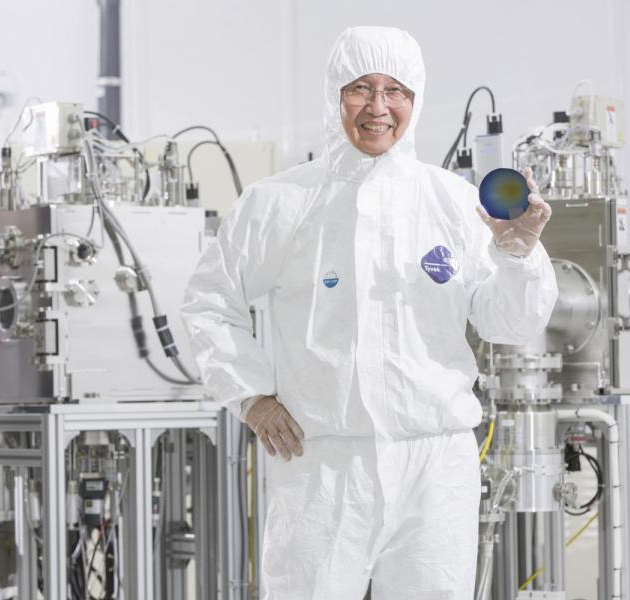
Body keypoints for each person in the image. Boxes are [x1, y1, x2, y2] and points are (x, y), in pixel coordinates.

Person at [181, 25, 558, 599]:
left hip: (435, 463)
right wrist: (252, 396)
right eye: (361, 88)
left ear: (416, 99)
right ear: (334, 96)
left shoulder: (453, 204)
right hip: (323, 464)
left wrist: (518, 252)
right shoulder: (281, 203)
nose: (379, 107)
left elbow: (510, 323)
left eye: (396, 91)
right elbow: (210, 300)